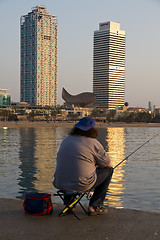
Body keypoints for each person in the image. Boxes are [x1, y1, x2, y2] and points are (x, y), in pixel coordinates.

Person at [53, 117, 113, 215]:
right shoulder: (94, 143)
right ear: (92, 130)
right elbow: (108, 164)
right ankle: (94, 206)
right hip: (81, 184)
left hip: (60, 182)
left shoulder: (66, 140)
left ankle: (69, 205)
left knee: (71, 170)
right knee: (109, 170)